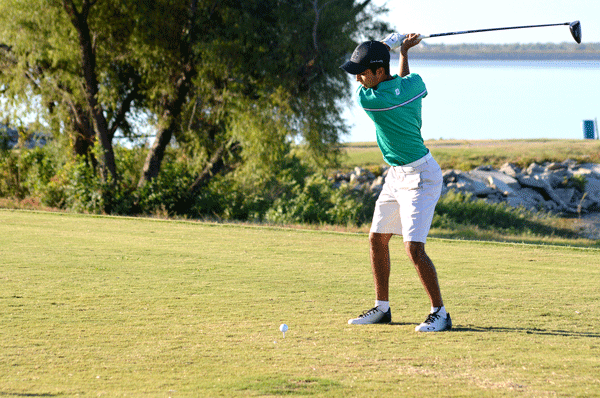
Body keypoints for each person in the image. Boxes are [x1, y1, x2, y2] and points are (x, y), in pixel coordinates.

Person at [340, 33, 451, 332]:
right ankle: (382, 308)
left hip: (421, 177)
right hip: (396, 175)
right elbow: (400, 84)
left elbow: (392, 87)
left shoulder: (370, 101)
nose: (360, 79)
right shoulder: (415, 85)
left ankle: (440, 312)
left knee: (414, 248)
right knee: (377, 239)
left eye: (363, 72)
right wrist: (403, 53)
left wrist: (390, 46)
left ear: (378, 71)